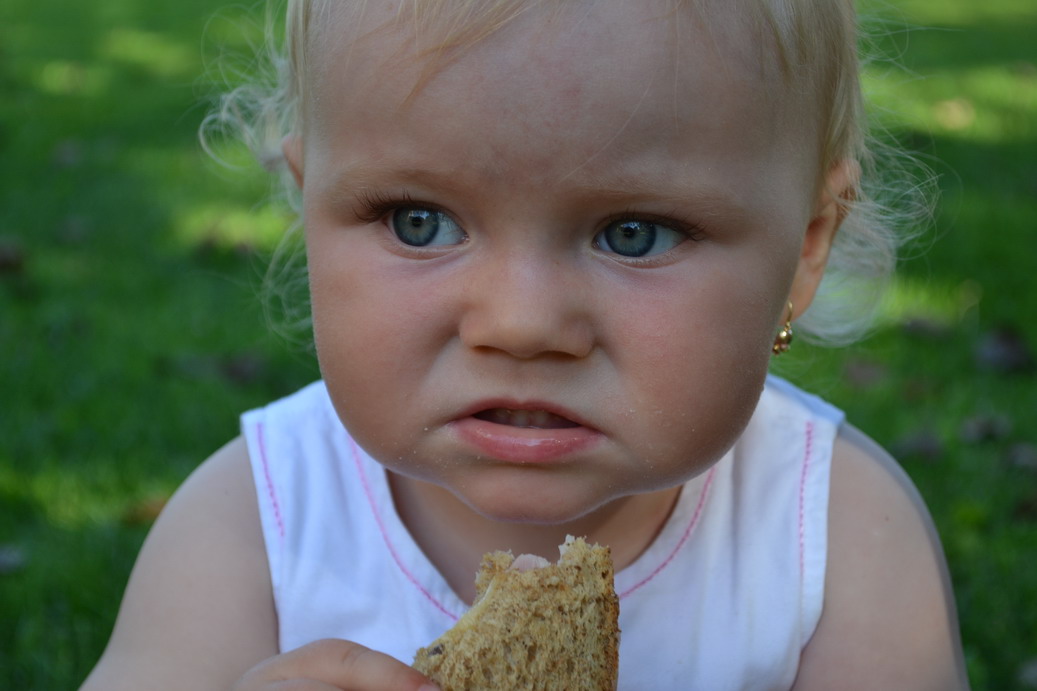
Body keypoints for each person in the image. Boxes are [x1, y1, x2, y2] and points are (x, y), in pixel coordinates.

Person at [81, 0, 969, 688]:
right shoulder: (254, 523)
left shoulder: (839, 536)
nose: (520, 323)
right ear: (308, 205)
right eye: (419, 222)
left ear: (804, 248)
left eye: (634, 234)